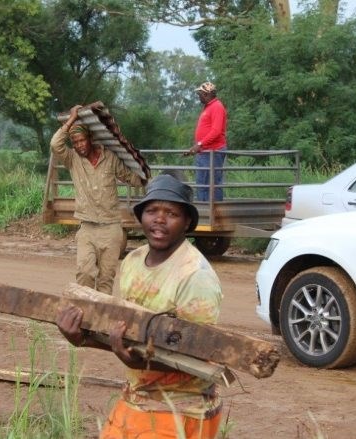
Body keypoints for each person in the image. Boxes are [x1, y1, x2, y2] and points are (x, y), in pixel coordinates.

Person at [57, 174, 224, 438]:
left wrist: (137, 361)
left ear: (187, 222)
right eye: (151, 210)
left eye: (171, 213)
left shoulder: (195, 276)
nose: (159, 219)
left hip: (182, 408)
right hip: (138, 398)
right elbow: (126, 336)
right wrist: (81, 338)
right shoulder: (133, 262)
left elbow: (201, 359)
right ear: (141, 216)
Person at [50, 105, 145, 294]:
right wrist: (72, 119)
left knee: (105, 281)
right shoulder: (72, 159)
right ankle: (83, 319)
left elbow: (129, 176)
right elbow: (55, 144)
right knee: (84, 274)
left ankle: (99, 322)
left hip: (111, 229)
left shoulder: (109, 158)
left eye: (81, 141)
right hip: (87, 229)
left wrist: (146, 180)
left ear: (90, 139)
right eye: (74, 142)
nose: (78, 146)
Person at [187, 82, 227, 202]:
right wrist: (199, 146)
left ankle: (211, 212)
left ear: (206, 94)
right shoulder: (210, 107)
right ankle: (206, 211)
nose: (198, 96)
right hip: (205, 151)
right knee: (203, 183)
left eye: (200, 93)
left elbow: (216, 131)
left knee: (209, 184)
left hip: (212, 151)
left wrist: (200, 144)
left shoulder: (217, 107)